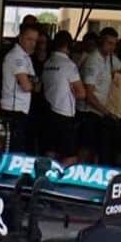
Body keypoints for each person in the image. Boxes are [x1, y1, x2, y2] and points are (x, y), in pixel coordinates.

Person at [41, 30, 85, 163]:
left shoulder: (47, 63)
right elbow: (82, 93)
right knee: (70, 156)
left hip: (48, 112)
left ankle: (47, 179)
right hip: (65, 114)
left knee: (50, 151)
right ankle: (62, 182)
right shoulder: (69, 65)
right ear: (68, 46)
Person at [80, 26, 119, 163]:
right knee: (86, 147)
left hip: (100, 112)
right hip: (89, 112)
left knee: (97, 148)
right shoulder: (93, 60)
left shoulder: (110, 59)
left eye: (114, 44)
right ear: (101, 41)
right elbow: (89, 94)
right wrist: (107, 113)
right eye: (109, 43)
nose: (112, 47)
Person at [0, 23, 39, 152]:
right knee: (13, 152)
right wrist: (31, 82)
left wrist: (31, 82)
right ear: (20, 38)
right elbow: (27, 85)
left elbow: (35, 82)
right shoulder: (17, 56)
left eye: (35, 40)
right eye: (29, 39)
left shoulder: (26, 57)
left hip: (21, 110)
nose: (33, 44)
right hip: (13, 111)